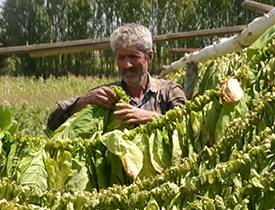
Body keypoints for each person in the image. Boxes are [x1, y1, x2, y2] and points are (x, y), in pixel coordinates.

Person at [47, 24, 187, 131]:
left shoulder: (168, 91)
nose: (127, 65)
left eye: (133, 56)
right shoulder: (105, 95)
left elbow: (188, 125)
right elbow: (53, 123)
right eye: (121, 58)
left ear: (149, 56)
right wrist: (85, 99)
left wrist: (150, 117)